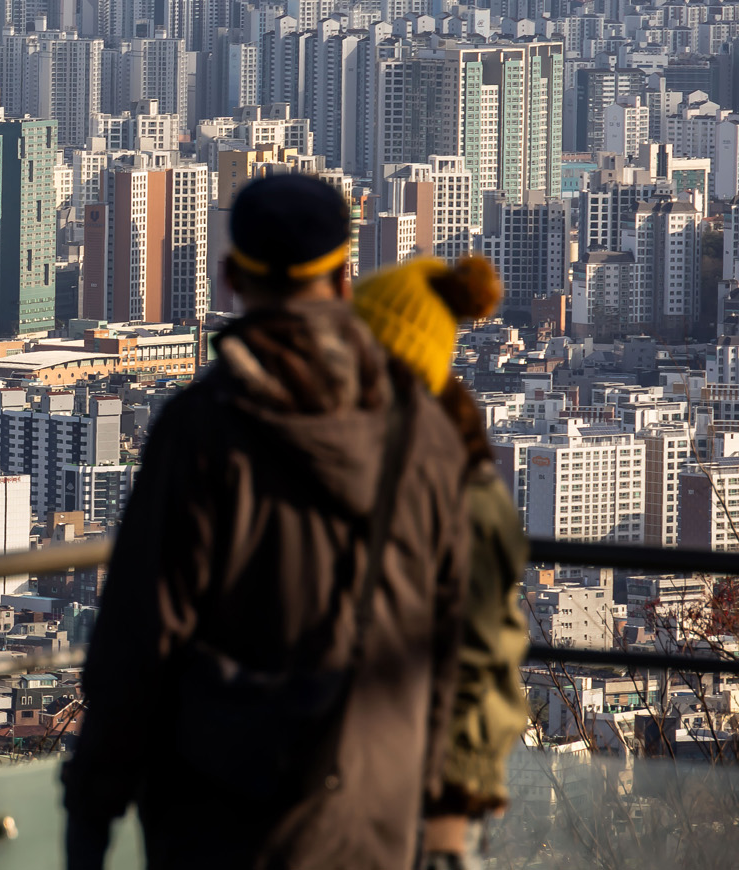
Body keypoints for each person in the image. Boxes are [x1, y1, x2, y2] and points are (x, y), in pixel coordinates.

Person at [64, 173, 469, 870]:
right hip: (377, 812)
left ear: (229, 279)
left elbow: (140, 642)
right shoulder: (425, 431)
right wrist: (439, 820)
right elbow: (453, 633)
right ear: (345, 280)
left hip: (226, 819)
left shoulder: (203, 432)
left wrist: (92, 810)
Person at [353, 255, 529, 870]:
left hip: (416, 796)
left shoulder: (453, 487)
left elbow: (483, 648)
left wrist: (447, 818)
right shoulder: (389, 460)